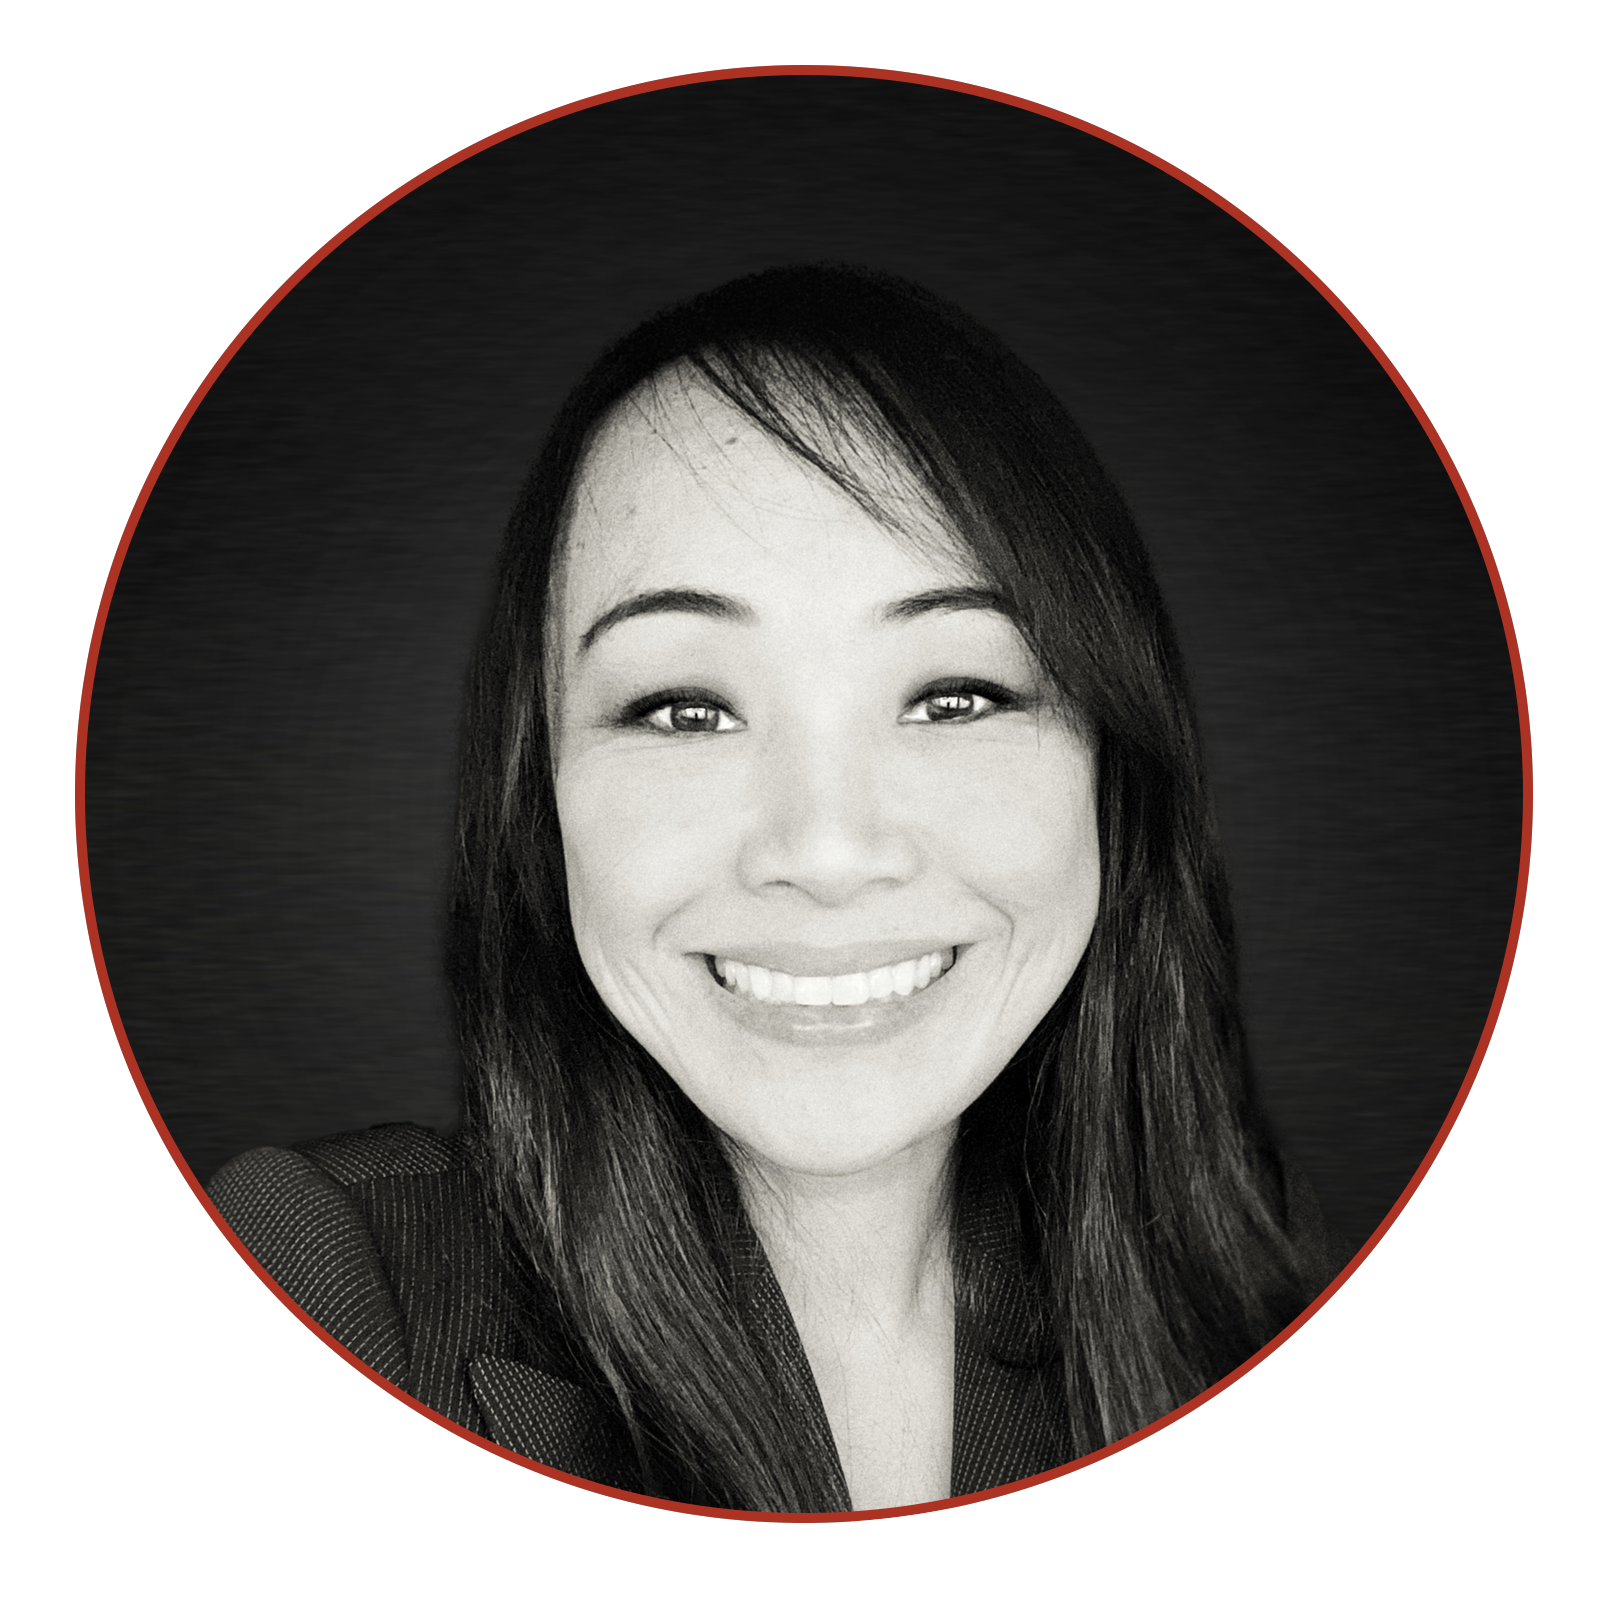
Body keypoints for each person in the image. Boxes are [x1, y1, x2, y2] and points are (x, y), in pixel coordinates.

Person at [210, 263, 1348, 1514]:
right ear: (541, 795)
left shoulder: (1275, 1322)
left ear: (1111, 773)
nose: (823, 846)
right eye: (683, 708)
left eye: (953, 695)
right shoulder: (323, 1274)